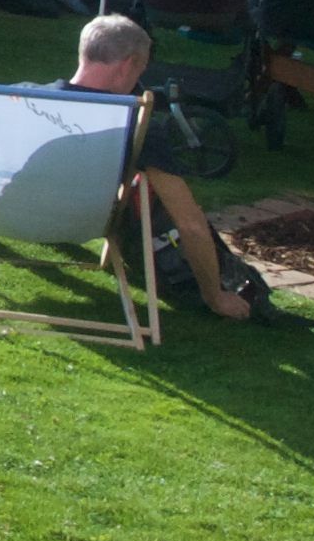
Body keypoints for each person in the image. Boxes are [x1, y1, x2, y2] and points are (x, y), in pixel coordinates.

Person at [58, 16, 257, 320]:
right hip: (87, 221)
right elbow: (189, 222)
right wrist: (215, 297)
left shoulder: (26, 98)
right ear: (127, 65)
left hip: (5, 214)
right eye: (141, 67)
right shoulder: (139, 127)